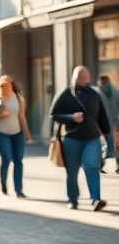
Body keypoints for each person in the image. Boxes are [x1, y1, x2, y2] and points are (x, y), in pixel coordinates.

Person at [50, 65, 111, 211]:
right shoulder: (65, 94)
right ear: (73, 76)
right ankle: (72, 199)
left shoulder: (95, 94)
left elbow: (102, 118)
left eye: (85, 74)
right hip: (71, 139)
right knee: (72, 172)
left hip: (91, 138)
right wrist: (71, 117)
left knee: (92, 167)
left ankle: (95, 200)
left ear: (89, 77)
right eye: (79, 75)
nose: (83, 77)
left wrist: (109, 140)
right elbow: (53, 114)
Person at [0, 75, 32, 198]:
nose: (5, 86)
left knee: (18, 161)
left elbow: (21, 116)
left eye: (7, 84)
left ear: (11, 84)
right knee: (7, 159)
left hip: (17, 133)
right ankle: (3, 183)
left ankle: (19, 189)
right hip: (1, 133)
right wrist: (0, 115)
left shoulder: (18, 98)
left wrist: (26, 133)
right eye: (2, 85)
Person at [94, 73, 119, 173]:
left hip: (114, 123)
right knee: (99, 144)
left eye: (105, 80)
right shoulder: (96, 93)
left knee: (116, 144)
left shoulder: (115, 92)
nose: (104, 83)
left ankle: (118, 163)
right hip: (100, 124)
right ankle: (100, 163)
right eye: (102, 80)